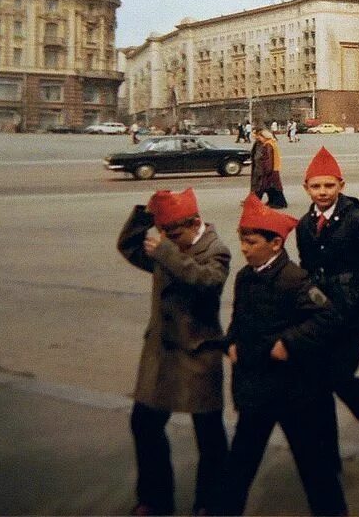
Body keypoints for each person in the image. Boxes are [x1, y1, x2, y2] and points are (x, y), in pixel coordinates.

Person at [222, 195, 347, 516]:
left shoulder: (295, 279)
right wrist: (231, 342)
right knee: (240, 462)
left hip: (293, 392)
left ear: (276, 243)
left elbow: (327, 317)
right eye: (242, 241)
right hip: (254, 387)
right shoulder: (245, 277)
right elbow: (239, 319)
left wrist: (289, 343)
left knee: (314, 466)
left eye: (251, 242)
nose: (245, 249)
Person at [116, 188, 230, 516]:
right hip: (161, 355)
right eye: (163, 232)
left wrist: (167, 252)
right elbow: (128, 247)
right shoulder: (170, 245)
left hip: (197, 354)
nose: (166, 238)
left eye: (173, 232)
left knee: (209, 435)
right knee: (144, 424)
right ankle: (155, 499)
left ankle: (210, 503)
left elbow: (208, 281)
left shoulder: (214, 249)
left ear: (195, 223)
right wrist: (145, 216)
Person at [296, 147, 359, 469]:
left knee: (339, 375)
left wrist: (356, 299)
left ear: (341, 185)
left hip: (352, 315)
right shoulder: (304, 225)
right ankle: (328, 455)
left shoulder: (357, 220)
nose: (323, 192)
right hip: (319, 315)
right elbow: (306, 266)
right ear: (306, 188)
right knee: (318, 383)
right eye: (316, 186)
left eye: (329, 185)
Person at [250, 129, 287, 209]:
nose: (259, 138)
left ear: (264, 137)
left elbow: (268, 159)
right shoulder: (271, 143)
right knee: (271, 187)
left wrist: (267, 170)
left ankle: (278, 203)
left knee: (273, 187)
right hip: (273, 168)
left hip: (271, 169)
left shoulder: (268, 145)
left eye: (260, 137)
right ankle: (275, 201)